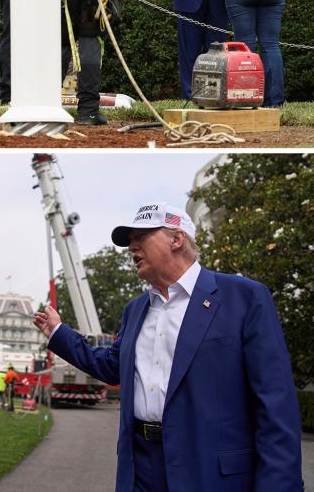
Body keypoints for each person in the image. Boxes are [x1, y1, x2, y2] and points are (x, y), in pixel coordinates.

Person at [33, 202, 302, 491]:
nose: (131, 248)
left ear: (177, 239)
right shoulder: (135, 310)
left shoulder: (244, 298)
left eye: (141, 238)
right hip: (141, 469)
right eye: (129, 241)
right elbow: (112, 367)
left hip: (210, 473)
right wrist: (59, 332)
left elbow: (275, 404)